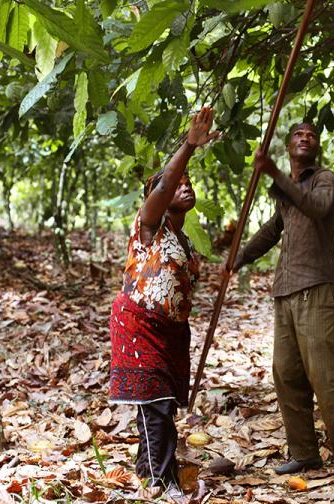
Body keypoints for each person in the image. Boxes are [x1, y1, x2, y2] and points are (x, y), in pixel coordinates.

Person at [229, 122, 334, 481]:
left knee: (325, 372)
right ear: (289, 146)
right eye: (299, 135)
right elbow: (275, 228)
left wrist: (274, 173)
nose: (305, 138)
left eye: (312, 136)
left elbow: (317, 208)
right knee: (286, 374)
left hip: (316, 287)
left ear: (316, 148)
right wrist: (241, 256)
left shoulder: (324, 179)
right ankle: (304, 453)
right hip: (284, 291)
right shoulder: (290, 190)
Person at [108, 108, 218, 498]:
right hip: (140, 324)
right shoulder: (149, 225)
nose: (183, 187)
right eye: (176, 183)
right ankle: (160, 481)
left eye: (189, 184)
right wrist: (189, 145)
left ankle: (148, 467)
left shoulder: (184, 241)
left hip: (171, 330)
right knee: (153, 403)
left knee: (163, 403)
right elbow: (162, 185)